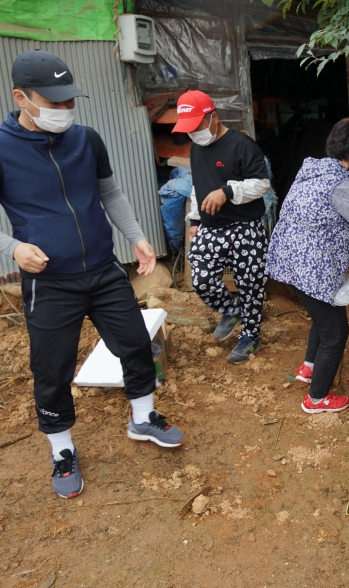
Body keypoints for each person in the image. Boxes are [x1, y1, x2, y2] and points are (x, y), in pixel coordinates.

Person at [0, 49, 184, 499]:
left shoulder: (87, 139)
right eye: (55, 102)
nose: (65, 111)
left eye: (70, 102)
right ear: (21, 97)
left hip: (103, 270)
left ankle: (143, 418)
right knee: (52, 367)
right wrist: (13, 247)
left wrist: (137, 236)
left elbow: (110, 193)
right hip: (50, 281)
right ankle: (62, 450)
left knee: (136, 344)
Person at [266, 118, 349, 414]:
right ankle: (317, 398)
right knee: (336, 333)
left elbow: (328, 222)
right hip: (314, 269)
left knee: (324, 315)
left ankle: (308, 367)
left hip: (290, 263)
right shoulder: (342, 187)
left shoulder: (311, 170)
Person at [176, 90, 270, 364]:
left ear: (213, 118)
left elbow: (262, 185)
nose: (193, 134)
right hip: (211, 228)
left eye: (196, 127)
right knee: (202, 280)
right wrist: (195, 220)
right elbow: (198, 185)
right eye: (188, 129)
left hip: (246, 227)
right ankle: (233, 309)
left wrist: (227, 191)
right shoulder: (196, 148)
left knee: (250, 285)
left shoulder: (242, 145)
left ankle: (251, 336)